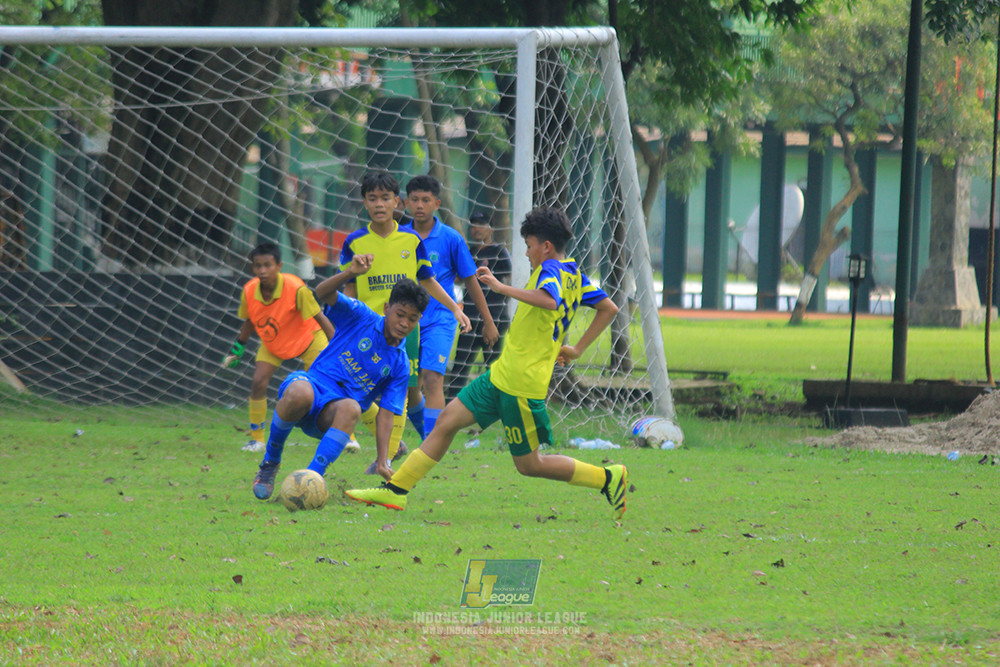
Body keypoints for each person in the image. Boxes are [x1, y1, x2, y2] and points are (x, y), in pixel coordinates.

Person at [345, 207, 629, 521]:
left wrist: (501, 287)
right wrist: (576, 349)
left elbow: (549, 300)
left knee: (529, 465)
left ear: (546, 246)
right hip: (501, 375)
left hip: (521, 384)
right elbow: (608, 307)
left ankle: (607, 477)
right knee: (447, 421)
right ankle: (396, 490)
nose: (526, 253)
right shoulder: (574, 274)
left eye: (529, 246)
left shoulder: (550, 270)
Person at [331, 170, 472, 468]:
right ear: (364, 202)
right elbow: (349, 288)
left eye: (385, 198)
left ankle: (398, 451)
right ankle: (412, 443)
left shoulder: (411, 239)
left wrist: (455, 308)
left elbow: (428, 280)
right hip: (368, 329)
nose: (379, 204)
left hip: (405, 331)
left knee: (402, 390)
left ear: (397, 202)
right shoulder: (354, 242)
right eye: (372, 198)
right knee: (357, 389)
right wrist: (344, 323)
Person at [250, 272, 430, 499]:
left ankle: (309, 481)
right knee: (299, 392)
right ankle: (270, 462)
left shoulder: (400, 364)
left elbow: (386, 415)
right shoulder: (362, 316)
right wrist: (351, 273)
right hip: (313, 387)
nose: (404, 323)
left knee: (352, 407)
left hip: (332, 415)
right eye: (400, 314)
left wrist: (383, 460)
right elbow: (322, 292)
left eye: (412, 319)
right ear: (387, 308)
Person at [402, 176, 499, 439]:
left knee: (433, 378)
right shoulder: (400, 236)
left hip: (440, 318)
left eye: (425, 200)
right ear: (406, 202)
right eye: (414, 200)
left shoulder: (451, 238)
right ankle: (424, 437)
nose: (419, 205)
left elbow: (471, 280)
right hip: (405, 322)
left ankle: (432, 443)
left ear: (436, 203)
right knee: (409, 385)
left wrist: (488, 321)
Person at [223, 242, 334, 453]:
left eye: (268, 265)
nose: (262, 271)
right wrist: (238, 348)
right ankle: (256, 439)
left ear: (279, 266)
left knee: (326, 385)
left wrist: (335, 345)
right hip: (273, 341)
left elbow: (319, 317)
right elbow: (250, 321)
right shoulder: (249, 291)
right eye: (258, 266)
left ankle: (347, 437)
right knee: (258, 381)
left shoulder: (296, 287)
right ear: (252, 268)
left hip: (307, 339)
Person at [447, 211, 512, 398]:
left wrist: (498, 312)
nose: (476, 228)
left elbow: (508, 280)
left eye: (481, 224)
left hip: (493, 318)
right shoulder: (469, 253)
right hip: (469, 317)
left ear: (491, 229)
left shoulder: (499, 252)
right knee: (460, 365)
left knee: (492, 366)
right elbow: (460, 278)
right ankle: (452, 403)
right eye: (473, 224)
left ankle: (495, 403)